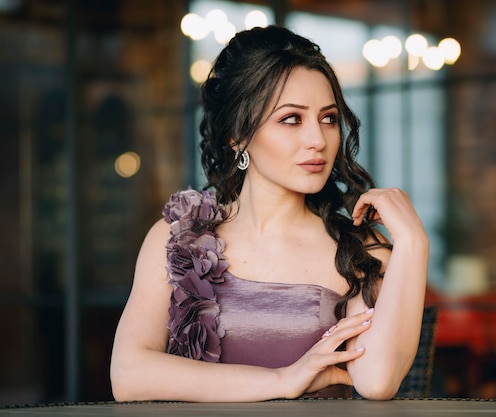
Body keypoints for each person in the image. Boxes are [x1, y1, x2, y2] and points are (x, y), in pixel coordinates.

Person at [110, 25, 429, 402]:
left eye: (328, 118)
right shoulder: (178, 237)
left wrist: (413, 242)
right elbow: (128, 375)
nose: (318, 139)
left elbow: (377, 381)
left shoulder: (359, 249)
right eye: (291, 119)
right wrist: (282, 380)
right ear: (238, 135)